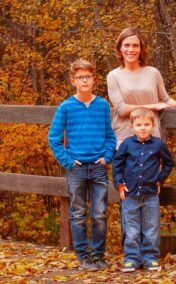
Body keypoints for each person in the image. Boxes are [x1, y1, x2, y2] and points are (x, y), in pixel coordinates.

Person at [48, 59, 116, 271]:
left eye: (88, 76)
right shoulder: (66, 107)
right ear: (73, 81)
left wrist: (107, 157)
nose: (84, 80)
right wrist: (68, 161)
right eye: (80, 77)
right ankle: (83, 257)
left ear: (94, 79)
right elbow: (54, 138)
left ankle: (98, 255)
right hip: (76, 168)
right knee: (78, 214)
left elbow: (110, 136)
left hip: (98, 168)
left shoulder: (102, 105)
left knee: (99, 213)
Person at [112, 107, 174, 272]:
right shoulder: (126, 145)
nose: (143, 128)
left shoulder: (158, 145)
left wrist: (160, 179)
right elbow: (117, 164)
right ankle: (131, 259)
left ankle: (150, 258)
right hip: (130, 194)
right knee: (131, 229)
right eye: (139, 125)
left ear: (153, 126)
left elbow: (169, 162)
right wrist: (119, 183)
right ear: (132, 126)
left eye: (147, 124)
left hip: (150, 195)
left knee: (151, 228)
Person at [107, 27, 176, 148]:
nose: (131, 49)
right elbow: (122, 109)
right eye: (126, 45)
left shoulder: (153, 73)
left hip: (151, 137)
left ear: (141, 49)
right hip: (125, 139)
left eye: (135, 45)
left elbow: (166, 99)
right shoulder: (113, 76)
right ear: (120, 48)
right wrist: (153, 106)